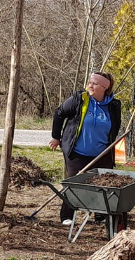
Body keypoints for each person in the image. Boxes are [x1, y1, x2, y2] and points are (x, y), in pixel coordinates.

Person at [50, 72, 122, 225]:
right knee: (75, 183)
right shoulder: (80, 99)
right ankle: (67, 216)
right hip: (77, 152)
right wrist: (56, 137)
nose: (90, 85)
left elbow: (115, 127)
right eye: (90, 82)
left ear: (104, 87)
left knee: (102, 183)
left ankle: (100, 214)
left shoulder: (114, 105)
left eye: (94, 83)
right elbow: (59, 113)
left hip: (102, 152)